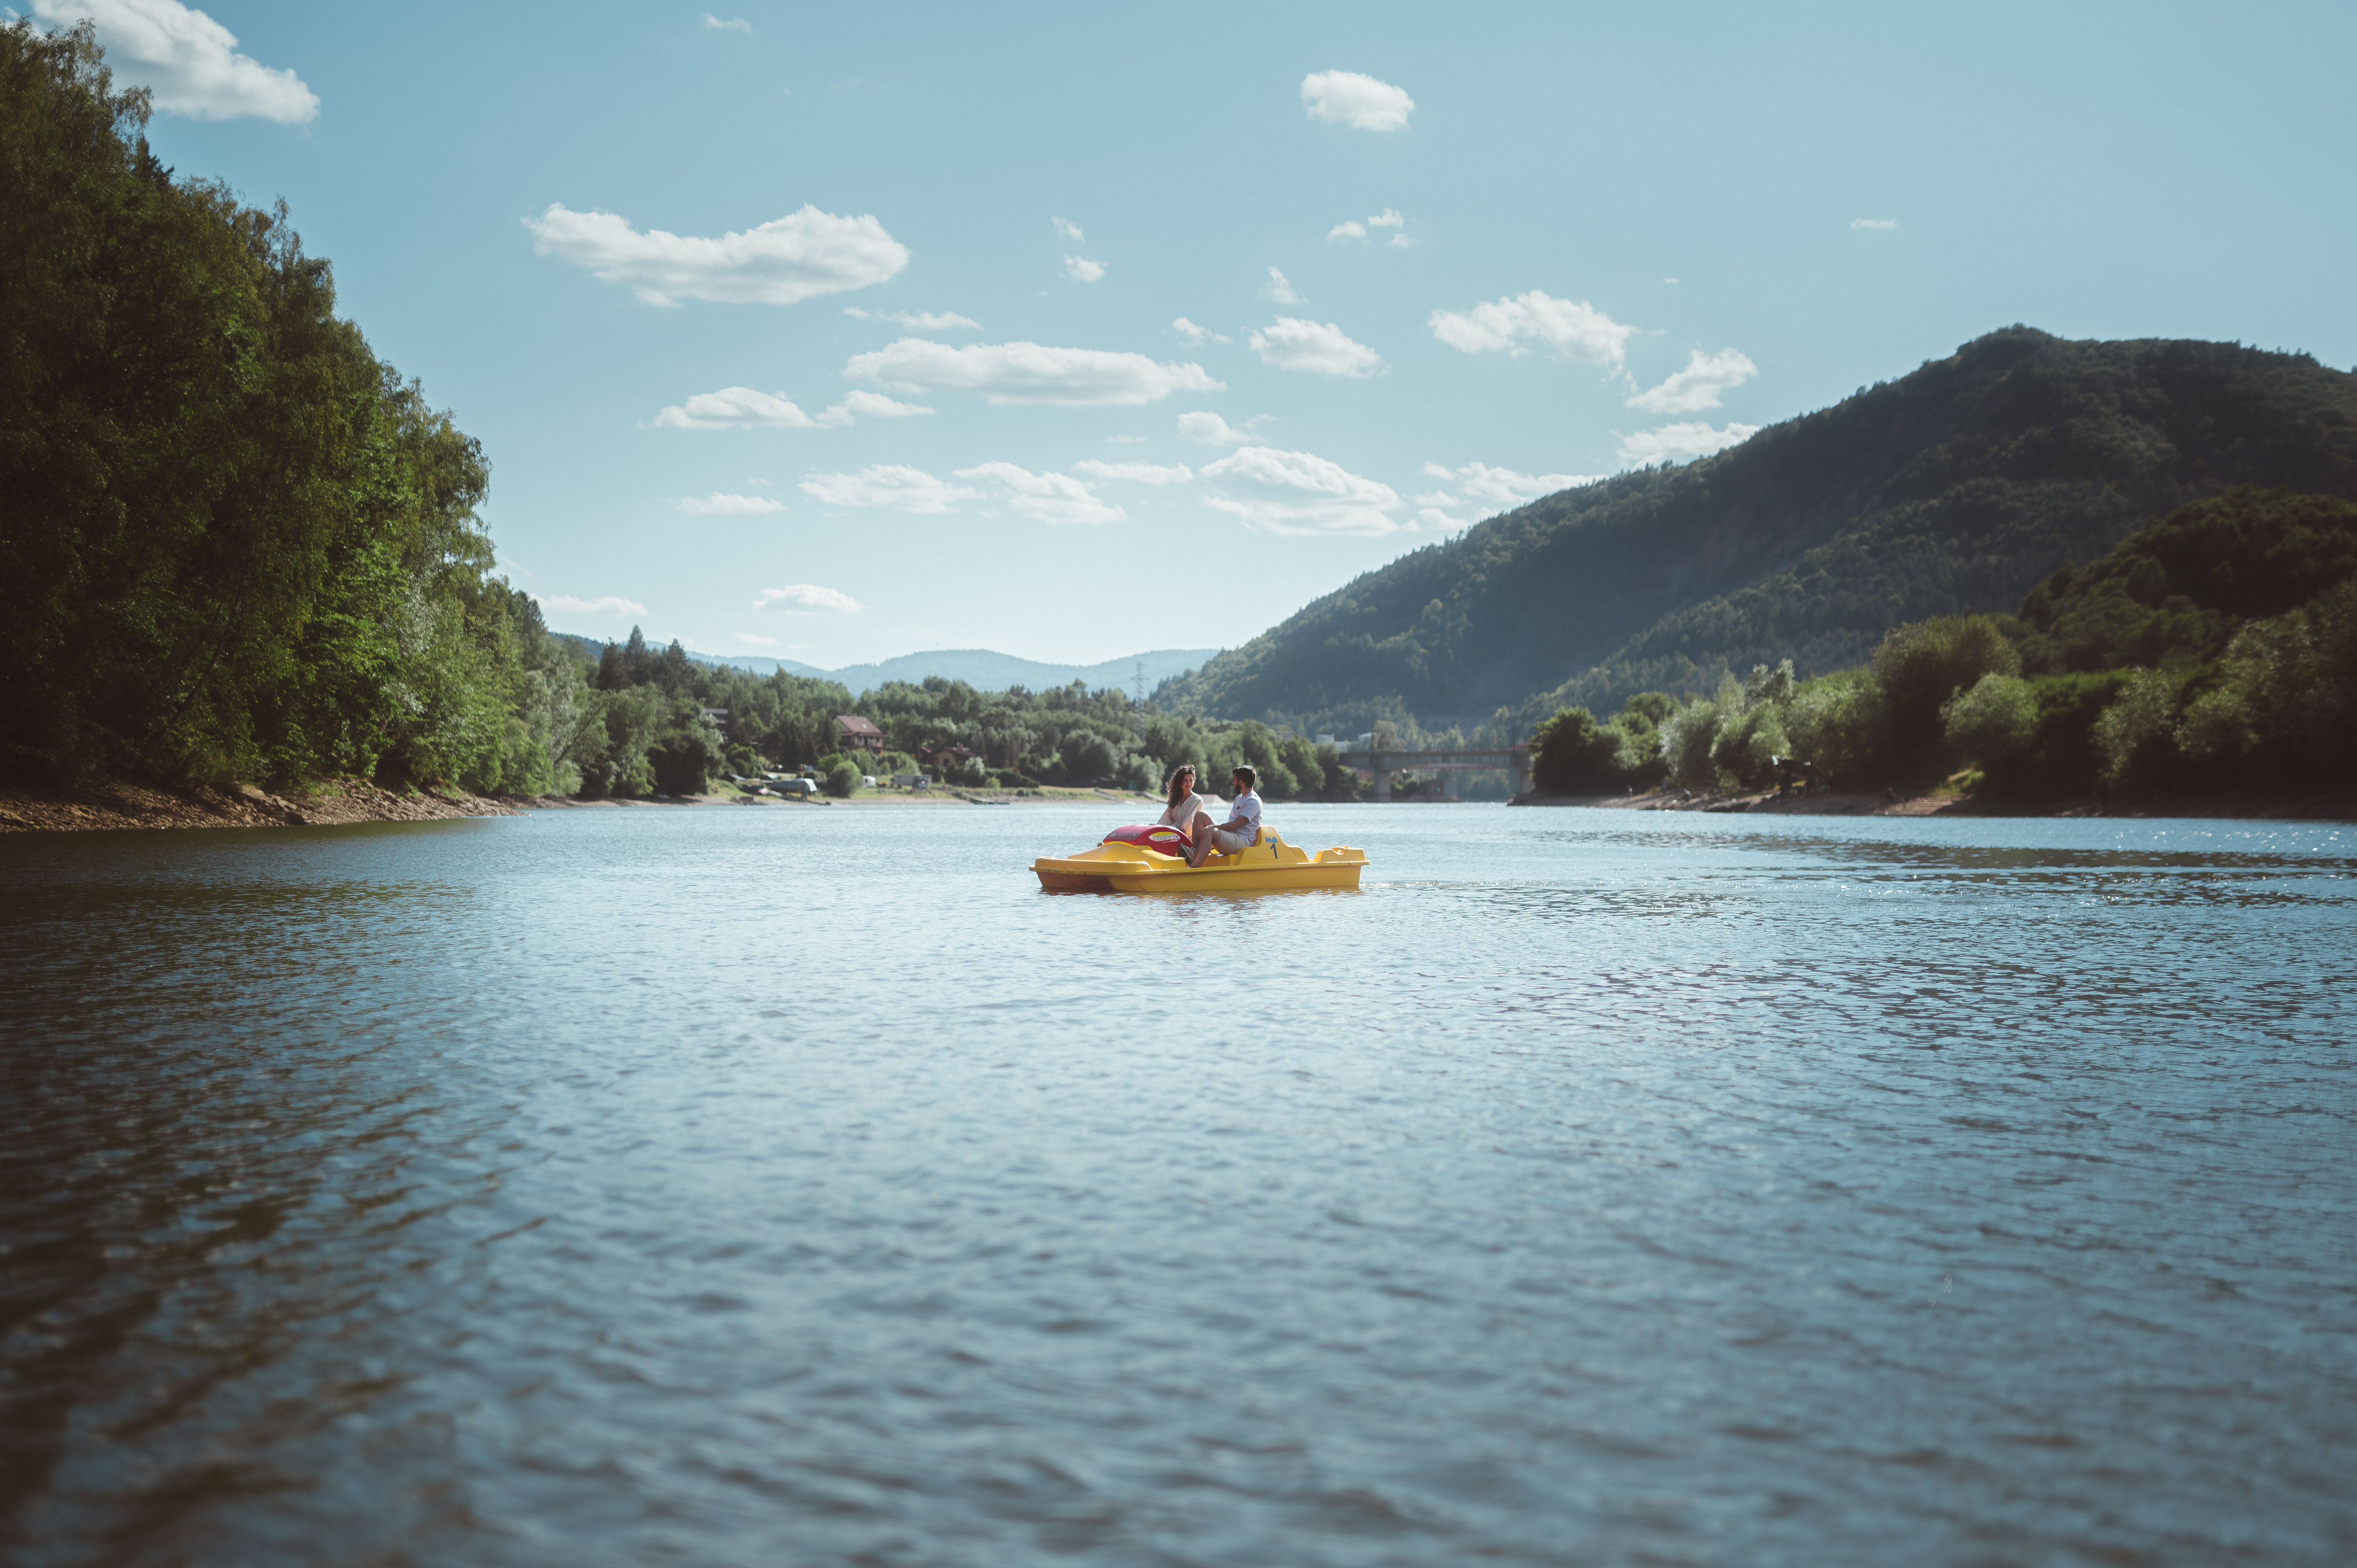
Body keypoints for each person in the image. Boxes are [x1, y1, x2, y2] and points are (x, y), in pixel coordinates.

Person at [1187, 765, 1263, 868]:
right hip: (1232, 837)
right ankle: (1195, 853)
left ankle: (1193, 868)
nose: (1233, 783)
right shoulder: (1240, 798)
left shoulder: (1253, 801)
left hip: (1242, 842)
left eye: (1235, 780)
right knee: (1201, 815)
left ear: (1241, 783)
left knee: (1209, 832)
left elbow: (1234, 826)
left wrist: (1210, 828)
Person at [1156, 764, 1210, 846]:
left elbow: (1189, 822)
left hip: (1187, 837)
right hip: (1173, 833)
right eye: (1185, 781)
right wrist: (1157, 831)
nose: (1188, 783)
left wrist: (1179, 839)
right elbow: (1166, 819)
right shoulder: (1176, 800)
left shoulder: (1197, 800)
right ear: (1180, 783)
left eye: (1191, 781)